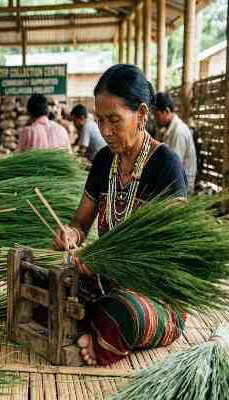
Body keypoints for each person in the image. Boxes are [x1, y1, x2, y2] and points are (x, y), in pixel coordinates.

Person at [52, 64, 188, 366]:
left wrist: (103, 260)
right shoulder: (104, 161)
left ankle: (103, 334)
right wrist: (70, 234)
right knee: (47, 286)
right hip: (105, 284)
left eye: (114, 120)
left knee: (125, 312)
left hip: (155, 292)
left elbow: (172, 251)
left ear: (141, 114)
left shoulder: (166, 165)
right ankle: (98, 327)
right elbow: (80, 223)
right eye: (100, 120)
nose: (105, 131)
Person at [153, 92, 197, 192]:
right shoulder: (166, 129)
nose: (155, 118)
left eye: (157, 114)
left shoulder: (178, 132)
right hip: (172, 179)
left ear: (167, 111)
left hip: (181, 186)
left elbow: (173, 167)